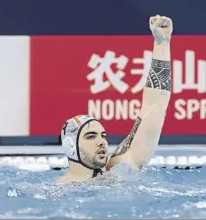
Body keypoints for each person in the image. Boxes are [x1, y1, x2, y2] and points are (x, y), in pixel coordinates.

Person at [57, 14, 173, 184]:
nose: (102, 142)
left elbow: (154, 105)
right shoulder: (59, 192)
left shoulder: (117, 170)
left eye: (103, 135)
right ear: (70, 146)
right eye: (90, 136)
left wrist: (162, 44)